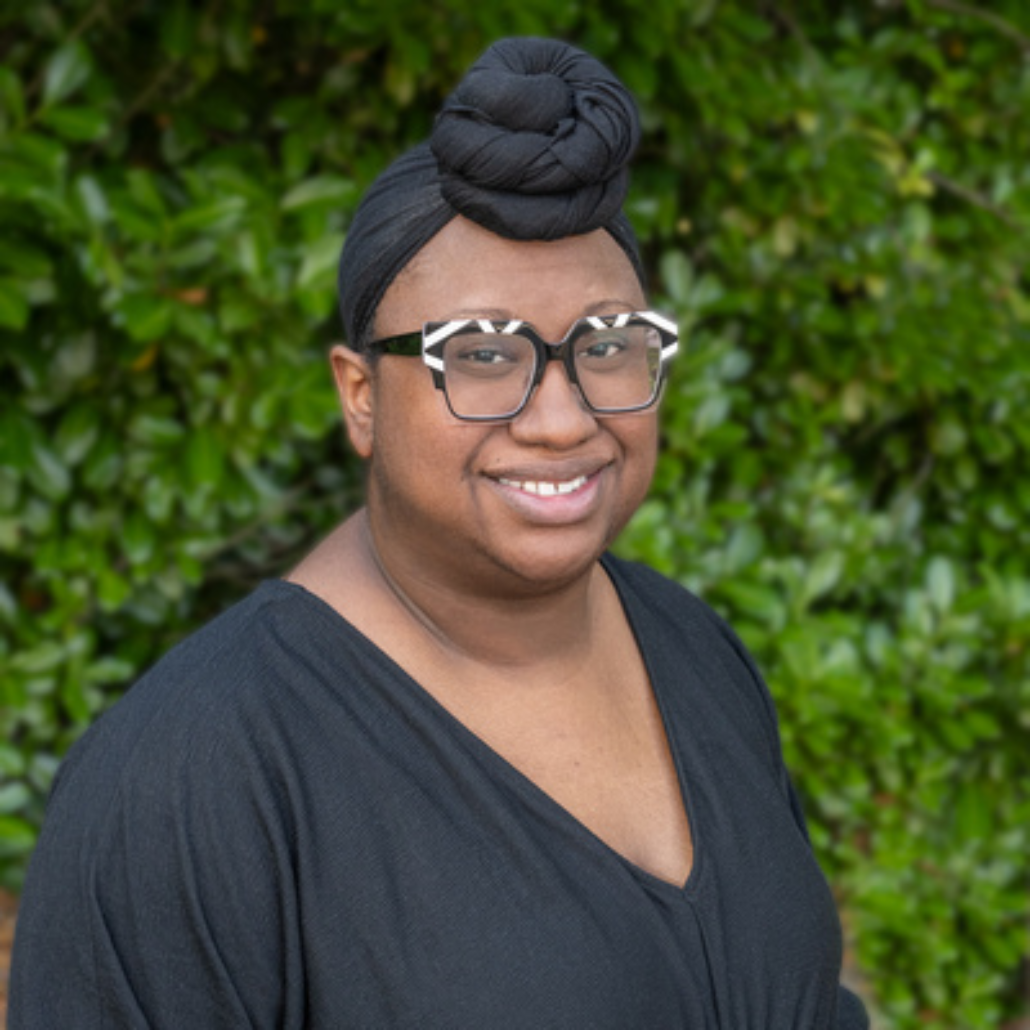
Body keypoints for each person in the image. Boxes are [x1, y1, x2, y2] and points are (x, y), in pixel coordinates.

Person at [10, 37, 869, 1028]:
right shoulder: (196, 775)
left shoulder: (690, 647)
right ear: (361, 395)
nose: (561, 416)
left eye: (608, 344)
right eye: (482, 353)